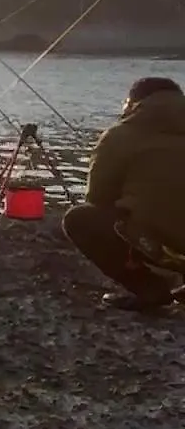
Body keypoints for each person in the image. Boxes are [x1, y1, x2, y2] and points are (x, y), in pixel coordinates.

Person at [63, 77, 185, 311]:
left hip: (163, 247)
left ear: (134, 103)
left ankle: (150, 289)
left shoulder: (120, 134)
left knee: (80, 219)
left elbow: (97, 198)